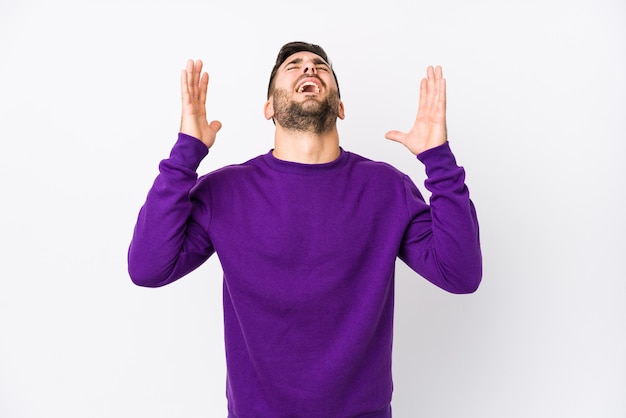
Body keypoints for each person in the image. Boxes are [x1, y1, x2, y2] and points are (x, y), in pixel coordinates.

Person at [128, 41, 482, 418]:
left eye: (320, 66)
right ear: (269, 108)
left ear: (341, 107)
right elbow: (149, 268)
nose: (309, 69)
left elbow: (460, 274)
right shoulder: (226, 191)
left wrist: (438, 161)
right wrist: (186, 152)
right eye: (293, 66)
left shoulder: (387, 188)